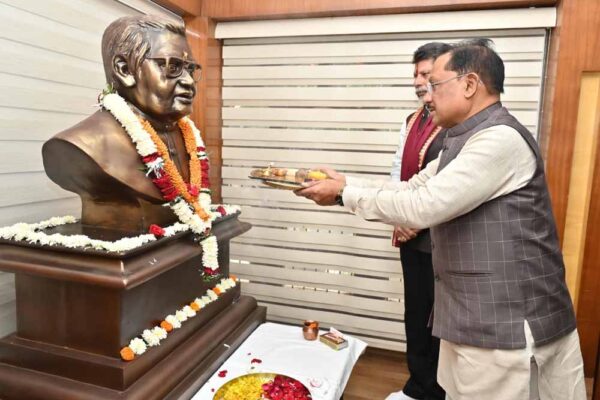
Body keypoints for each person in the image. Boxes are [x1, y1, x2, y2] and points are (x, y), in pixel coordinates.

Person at [296, 39, 585, 400]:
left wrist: (342, 194)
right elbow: (412, 187)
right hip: (474, 318)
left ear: (470, 84)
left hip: (508, 325)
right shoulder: (463, 140)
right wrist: (345, 183)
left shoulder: (499, 140)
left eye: (435, 84)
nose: (427, 96)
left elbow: (425, 205)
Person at [42, 16, 202, 232]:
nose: (188, 81)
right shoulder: (82, 144)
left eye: (190, 69)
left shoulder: (187, 138)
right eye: (172, 66)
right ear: (124, 70)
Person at [387, 42, 450, 400]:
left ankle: (439, 390)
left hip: (442, 237)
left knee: (440, 318)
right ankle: (418, 383)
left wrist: (417, 218)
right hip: (408, 232)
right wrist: (399, 215)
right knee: (415, 312)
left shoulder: (456, 122)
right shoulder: (411, 120)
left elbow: (451, 185)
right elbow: (398, 171)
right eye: (415, 74)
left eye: (425, 73)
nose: (417, 81)